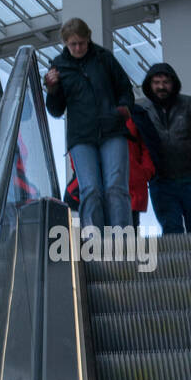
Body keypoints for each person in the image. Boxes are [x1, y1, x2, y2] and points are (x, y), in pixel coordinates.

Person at [44, 17, 135, 232]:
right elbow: (56, 110)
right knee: (90, 189)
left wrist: (122, 108)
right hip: (82, 136)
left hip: (112, 130)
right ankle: (95, 241)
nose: (78, 48)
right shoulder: (58, 67)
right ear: (65, 43)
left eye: (82, 43)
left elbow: (125, 88)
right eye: (73, 44)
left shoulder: (104, 58)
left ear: (88, 39)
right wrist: (52, 89)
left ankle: (121, 241)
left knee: (116, 187)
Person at [141, 62, 191, 235]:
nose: (161, 86)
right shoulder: (143, 111)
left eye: (165, 82)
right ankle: (178, 264)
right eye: (156, 82)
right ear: (149, 85)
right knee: (171, 232)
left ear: (173, 83)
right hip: (161, 182)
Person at [64, 108, 156, 228]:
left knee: (126, 240)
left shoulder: (135, 114)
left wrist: (143, 173)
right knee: (97, 240)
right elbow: (77, 147)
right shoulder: (87, 110)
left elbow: (148, 147)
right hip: (99, 191)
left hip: (130, 189)